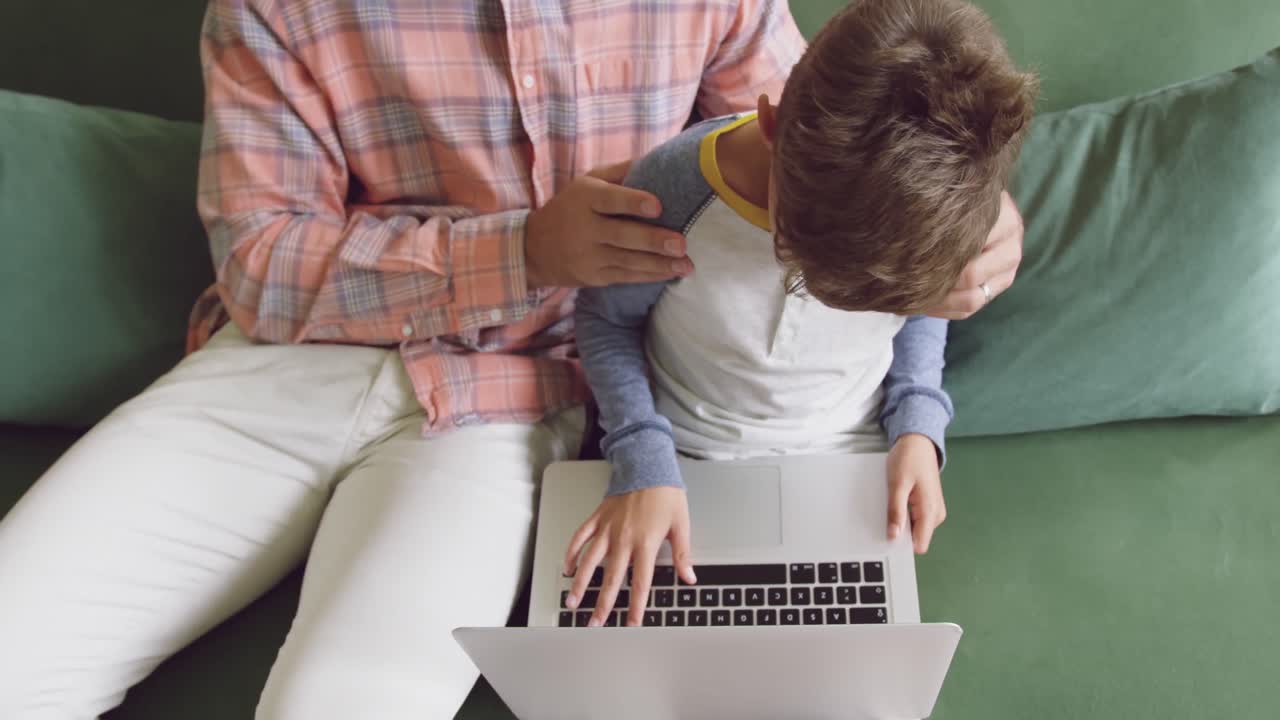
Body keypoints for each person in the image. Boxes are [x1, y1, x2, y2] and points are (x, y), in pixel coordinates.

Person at [0, 1, 1024, 718]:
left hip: (499, 408)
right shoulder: (283, 7)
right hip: (279, 367)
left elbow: (828, 145)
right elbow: (261, 264)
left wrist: (973, 217)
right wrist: (523, 250)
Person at [563, 0, 1038, 629]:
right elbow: (606, 320)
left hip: (848, 462)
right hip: (681, 454)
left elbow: (925, 310)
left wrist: (918, 426)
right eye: (793, 249)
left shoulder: (936, 214)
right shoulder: (673, 190)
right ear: (770, 122)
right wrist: (642, 461)